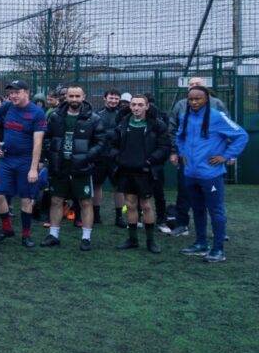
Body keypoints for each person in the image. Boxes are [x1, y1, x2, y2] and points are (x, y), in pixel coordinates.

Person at [176, 86, 248, 263]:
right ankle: (201, 244)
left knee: (215, 210)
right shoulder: (185, 117)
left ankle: (218, 249)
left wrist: (226, 156)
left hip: (211, 175)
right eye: (191, 99)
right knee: (198, 209)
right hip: (191, 173)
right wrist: (183, 153)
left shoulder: (217, 116)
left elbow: (242, 135)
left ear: (206, 99)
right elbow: (179, 137)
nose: (193, 102)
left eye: (197, 99)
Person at [40, 86, 106, 251]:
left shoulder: (93, 118)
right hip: (60, 166)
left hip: (81, 167)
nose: (74, 99)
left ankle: (86, 238)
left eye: (77, 96)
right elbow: (46, 137)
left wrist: (86, 157)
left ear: (84, 96)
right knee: (56, 200)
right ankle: (53, 235)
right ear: (66, 97)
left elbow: (101, 142)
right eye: (71, 96)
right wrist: (52, 154)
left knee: (85, 202)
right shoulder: (55, 116)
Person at [166, 77, 228, 236]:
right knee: (184, 192)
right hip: (188, 161)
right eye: (191, 85)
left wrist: (227, 154)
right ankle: (182, 224)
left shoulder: (218, 105)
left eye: (198, 84)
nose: (194, 86)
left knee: (213, 198)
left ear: (206, 90)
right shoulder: (180, 105)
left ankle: (218, 231)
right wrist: (175, 151)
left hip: (210, 162)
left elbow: (230, 131)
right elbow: (173, 130)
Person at [0, 80, 47, 248]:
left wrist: (33, 169)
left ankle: (26, 235)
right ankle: (7, 229)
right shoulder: (6, 107)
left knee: (26, 199)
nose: (13, 95)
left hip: (26, 161)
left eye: (17, 92)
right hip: (7, 159)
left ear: (26, 92)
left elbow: (38, 143)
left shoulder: (37, 113)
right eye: (11, 93)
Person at [111, 95, 171, 253]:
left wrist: (150, 161)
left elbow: (164, 147)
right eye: (133, 105)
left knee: (145, 205)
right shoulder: (122, 124)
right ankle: (132, 239)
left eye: (140, 105)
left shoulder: (157, 125)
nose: (136, 108)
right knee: (130, 205)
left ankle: (150, 241)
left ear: (147, 107)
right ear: (130, 106)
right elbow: (113, 145)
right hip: (126, 170)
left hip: (145, 172)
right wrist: (119, 159)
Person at [93, 89, 125, 228]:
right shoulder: (96, 114)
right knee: (97, 185)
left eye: (116, 99)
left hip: (116, 158)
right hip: (99, 157)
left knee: (118, 187)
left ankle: (119, 217)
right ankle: (96, 215)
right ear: (104, 98)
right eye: (111, 98)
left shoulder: (123, 115)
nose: (113, 101)